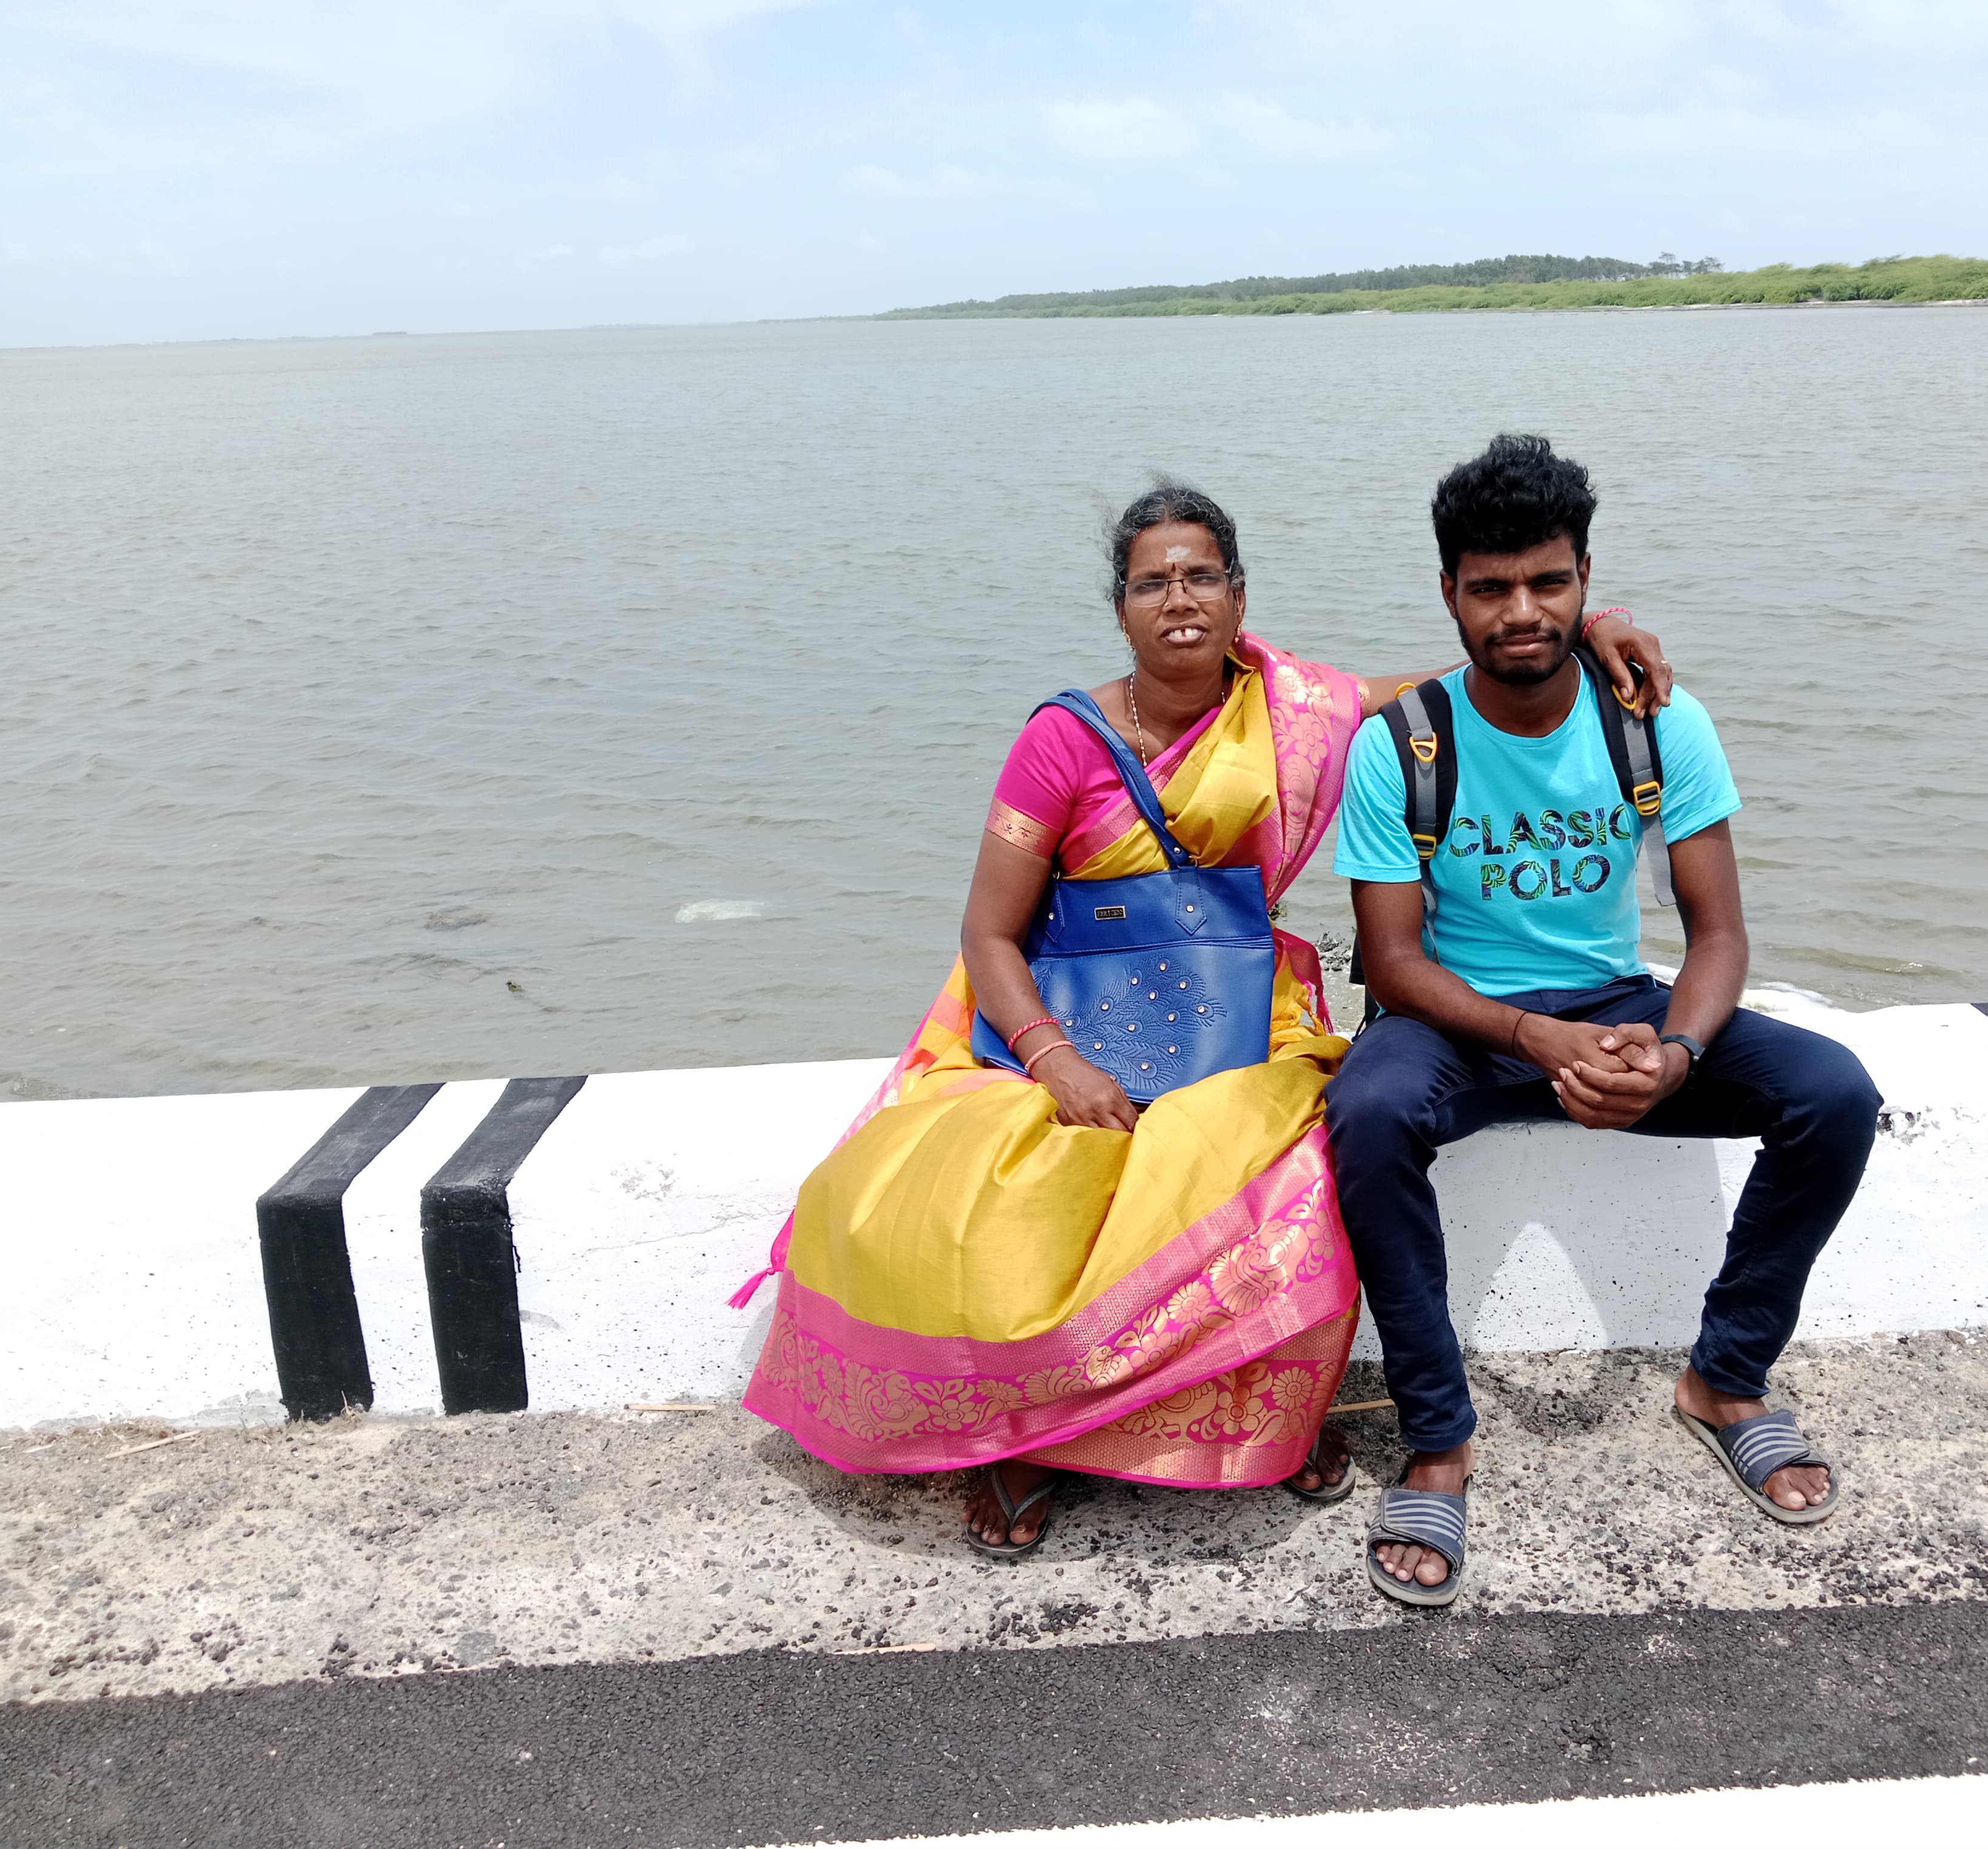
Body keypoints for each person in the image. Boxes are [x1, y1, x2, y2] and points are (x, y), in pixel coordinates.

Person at [735, 479, 1674, 1557]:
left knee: (1300, 1165)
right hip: (1058, 1011)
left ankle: (1256, 1424)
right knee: (989, 1183)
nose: (1178, 597)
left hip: (1240, 1010)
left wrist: (1593, 626)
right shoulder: (1063, 740)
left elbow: (1457, 681)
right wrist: (1052, 1061)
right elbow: (988, 936)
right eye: (1151, 581)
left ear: (1238, 597)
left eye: (1200, 576)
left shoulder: (1293, 710)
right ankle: (1022, 1438)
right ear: (1121, 605)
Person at [1326, 434, 1882, 1607]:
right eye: (1491, 588)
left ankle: (1728, 1381)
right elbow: (1390, 957)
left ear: (1584, 582)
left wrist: (1675, 1053)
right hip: (1463, 1023)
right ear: (1449, 595)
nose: (1522, 612)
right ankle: (1437, 1442)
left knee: (1831, 1095)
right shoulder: (1404, 743)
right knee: (1367, 1112)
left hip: (1621, 1006)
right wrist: (1535, 1041)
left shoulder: (1657, 721)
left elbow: (1718, 935)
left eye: (1550, 583)